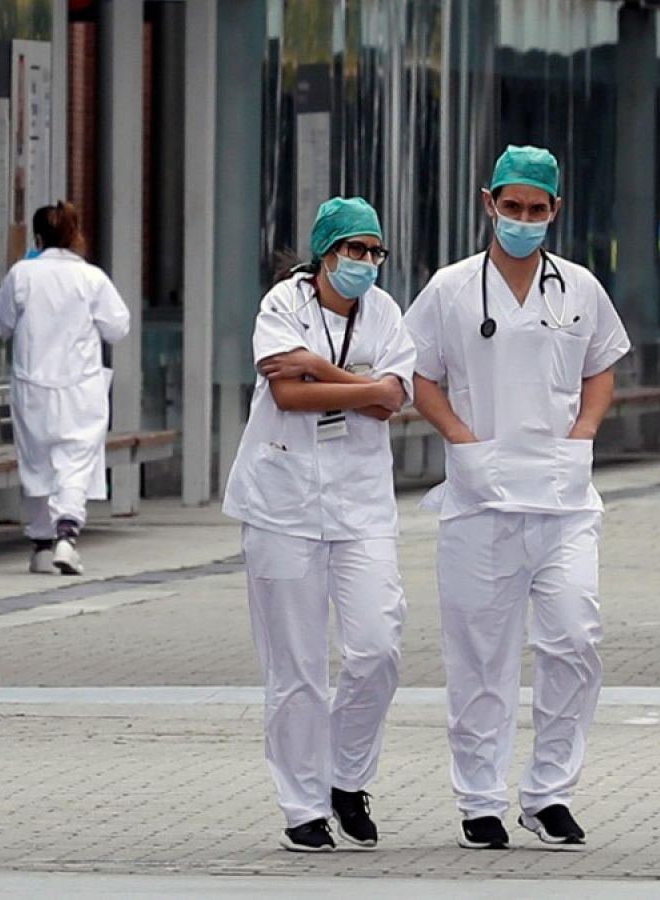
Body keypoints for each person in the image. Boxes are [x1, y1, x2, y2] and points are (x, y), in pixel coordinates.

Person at [402, 146, 631, 851]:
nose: (524, 220)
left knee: (574, 641)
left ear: (555, 211)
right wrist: (462, 440)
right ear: (489, 203)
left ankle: (550, 792)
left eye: (538, 210)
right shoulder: (449, 288)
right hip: (480, 501)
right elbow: (419, 375)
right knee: (480, 658)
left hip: (563, 499)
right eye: (513, 207)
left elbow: (602, 368)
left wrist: (584, 430)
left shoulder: (581, 288)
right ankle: (479, 799)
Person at [222, 197, 416, 853]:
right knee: (297, 667)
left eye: (373, 251)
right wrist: (360, 383)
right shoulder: (284, 303)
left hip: (360, 504)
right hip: (282, 503)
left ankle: (346, 777)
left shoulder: (387, 313)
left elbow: (393, 401)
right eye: (352, 250)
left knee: (377, 646)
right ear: (324, 252)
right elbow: (286, 391)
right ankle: (301, 805)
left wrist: (323, 372)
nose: (364, 262)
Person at [0, 202, 130, 576]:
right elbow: (118, 327)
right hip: (79, 385)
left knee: (35, 462)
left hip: (32, 383)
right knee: (76, 461)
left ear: (38, 237)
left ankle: (40, 545)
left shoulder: (22, 275)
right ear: (75, 234)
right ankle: (67, 534)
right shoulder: (91, 279)